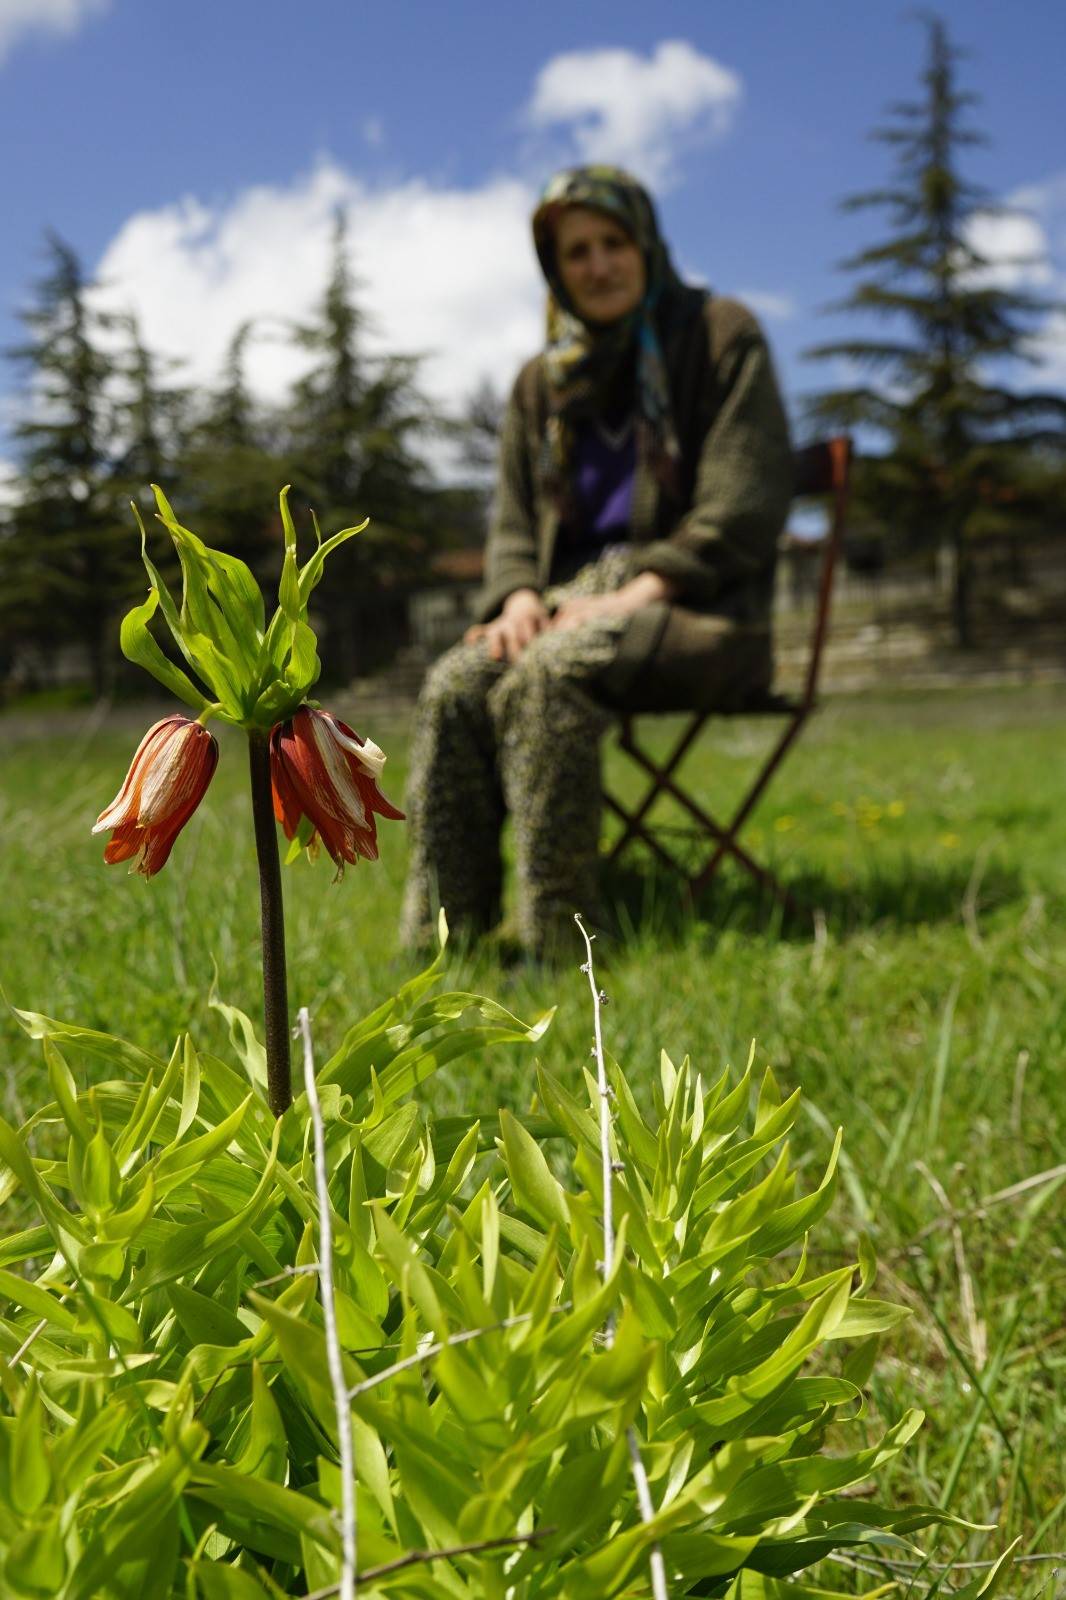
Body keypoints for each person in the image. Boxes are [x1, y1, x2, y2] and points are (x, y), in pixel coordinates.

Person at [400, 164, 793, 957]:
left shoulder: (719, 335)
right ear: (555, 268)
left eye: (614, 242)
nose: (598, 265)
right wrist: (514, 597)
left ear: (646, 244)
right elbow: (511, 519)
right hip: (559, 606)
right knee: (452, 686)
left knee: (546, 677)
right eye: (575, 251)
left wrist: (638, 590)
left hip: (697, 611)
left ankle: (563, 942)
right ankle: (447, 943)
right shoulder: (541, 385)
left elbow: (746, 500)